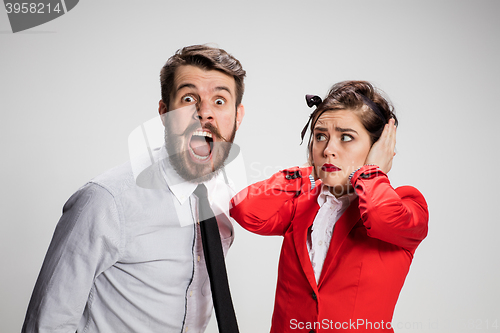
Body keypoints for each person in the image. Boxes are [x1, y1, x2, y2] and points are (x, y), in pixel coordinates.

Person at [22, 44, 246, 333]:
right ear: (164, 113)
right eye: (189, 98)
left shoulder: (224, 199)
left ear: (238, 115)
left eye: (219, 101)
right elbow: (47, 323)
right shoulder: (106, 201)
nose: (204, 113)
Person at [230, 81, 428, 332]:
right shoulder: (300, 204)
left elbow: (381, 217)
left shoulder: (408, 203)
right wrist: (309, 174)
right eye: (321, 136)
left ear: (378, 147)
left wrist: (371, 173)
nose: (328, 150)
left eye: (346, 137)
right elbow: (245, 209)